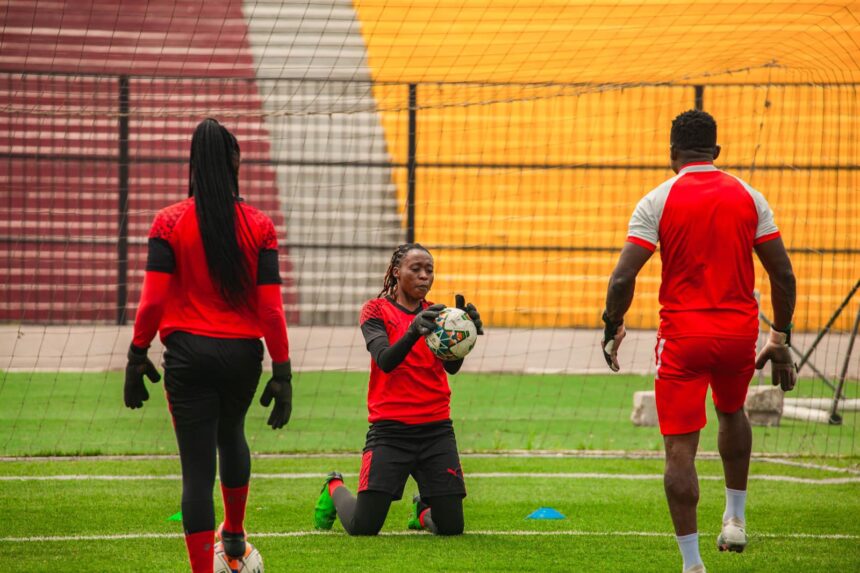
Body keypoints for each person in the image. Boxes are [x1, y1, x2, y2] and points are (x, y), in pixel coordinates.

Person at [600, 110, 796, 573]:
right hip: (737, 335)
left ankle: (692, 565)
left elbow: (623, 276)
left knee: (680, 450)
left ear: (672, 154)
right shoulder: (749, 197)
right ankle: (735, 519)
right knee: (733, 412)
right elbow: (783, 274)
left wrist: (614, 324)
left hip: (683, 339)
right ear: (717, 153)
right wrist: (781, 337)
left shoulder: (657, 200)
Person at [124, 118, 293, 573]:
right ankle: (234, 535)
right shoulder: (260, 225)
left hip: (188, 357)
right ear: (236, 164)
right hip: (243, 356)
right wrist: (283, 372)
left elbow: (152, 301)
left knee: (197, 472)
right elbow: (273, 310)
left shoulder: (169, 221)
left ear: (193, 165)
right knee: (232, 434)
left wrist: (136, 354)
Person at [312, 243, 483, 536]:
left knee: (452, 527)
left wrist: (463, 339)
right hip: (390, 431)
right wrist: (413, 331)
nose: (424, 276)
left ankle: (423, 511)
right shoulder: (375, 310)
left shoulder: (439, 316)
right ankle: (334, 487)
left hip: (436, 429)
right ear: (396, 272)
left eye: (429, 270)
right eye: (415, 269)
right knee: (362, 527)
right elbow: (385, 360)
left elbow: (451, 368)